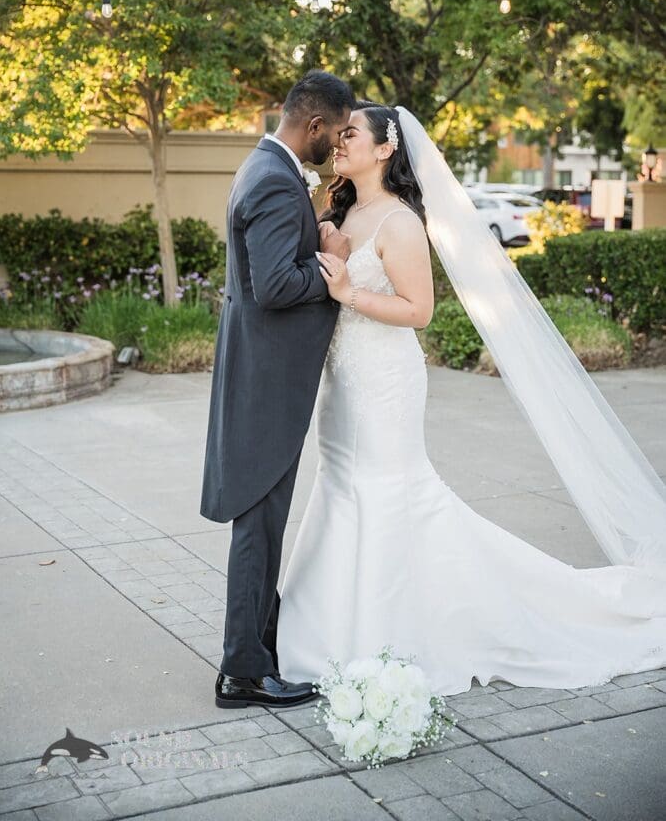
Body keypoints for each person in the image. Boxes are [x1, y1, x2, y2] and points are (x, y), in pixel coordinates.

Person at [275, 101, 666, 695]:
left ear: (386, 149)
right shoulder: (343, 213)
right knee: (340, 486)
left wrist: (351, 294)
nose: (339, 140)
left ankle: (391, 633)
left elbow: (420, 311)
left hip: (384, 382)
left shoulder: (401, 222)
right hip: (341, 385)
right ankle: (324, 631)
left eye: (352, 132)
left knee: (387, 492)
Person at [200, 70, 355, 709]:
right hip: (266, 384)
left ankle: (259, 648)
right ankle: (242, 672)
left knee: (263, 523)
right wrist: (332, 269)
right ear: (313, 125)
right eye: (338, 132)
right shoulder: (271, 179)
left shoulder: (266, 168)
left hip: (262, 374)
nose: (338, 143)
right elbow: (276, 285)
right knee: (259, 528)